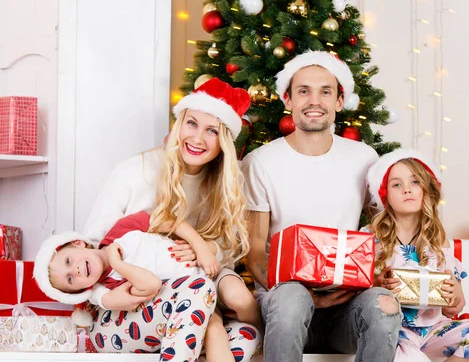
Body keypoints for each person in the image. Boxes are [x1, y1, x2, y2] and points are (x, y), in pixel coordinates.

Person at [80, 78, 261, 361]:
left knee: (246, 333)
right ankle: (209, 327)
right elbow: (88, 253)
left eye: (212, 130)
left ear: (224, 141)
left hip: (189, 303)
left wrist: (208, 249)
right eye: (192, 124)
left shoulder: (224, 183)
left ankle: (208, 329)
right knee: (209, 318)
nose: (198, 139)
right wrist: (104, 298)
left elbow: (229, 246)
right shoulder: (134, 171)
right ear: (180, 124)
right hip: (125, 314)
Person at [241, 50, 401, 362]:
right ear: (287, 100)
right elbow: (254, 249)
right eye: (304, 91)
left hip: (347, 304)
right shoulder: (260, 162)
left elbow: (386, 228)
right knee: (292, 301)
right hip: (287, 302)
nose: (315, 101)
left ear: (339, 102)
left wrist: (379, 272)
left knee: (383, 305)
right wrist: (309, 296)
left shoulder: (363, 158)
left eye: (325, 91)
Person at [366, 149, 469, 361]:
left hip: (434, 331)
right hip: (395, 333)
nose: (407, 190)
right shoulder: (370, 238)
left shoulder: (438, 243)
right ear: (385, 194)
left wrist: (455, 295)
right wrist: (377, 285)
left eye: (415, 182)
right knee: (411, 357)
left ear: (426, 189)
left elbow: (454, 308)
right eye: (397, 184)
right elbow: (355, 299)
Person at [33, 212, 218, 360]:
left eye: (68, 261)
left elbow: (167, 219)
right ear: (81, 291)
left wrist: (200, 245)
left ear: (78, 243)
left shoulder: (121, 229)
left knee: (234, 316)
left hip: (205, 272)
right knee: (215, 326)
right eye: (70, 280)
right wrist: (116, 263)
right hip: (192, 291)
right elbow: (151, 284)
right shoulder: (114, 287)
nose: (76, 270)